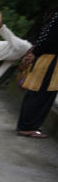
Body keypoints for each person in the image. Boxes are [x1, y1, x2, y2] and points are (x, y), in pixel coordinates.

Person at [16, 11, 58, 139]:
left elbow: (45, 37)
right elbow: (50, 38)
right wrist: (35, 53)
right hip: (50, 60)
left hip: (46, 59)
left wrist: (35, 53)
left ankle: (28, 126)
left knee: (39, 93)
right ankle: (27, 127)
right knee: (41, 94)